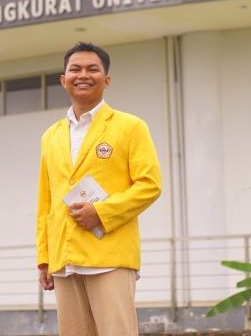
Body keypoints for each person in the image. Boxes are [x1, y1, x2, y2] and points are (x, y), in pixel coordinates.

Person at [35, 42, 162, 335]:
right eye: (75, 69)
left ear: (107, 80)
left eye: (92, 69)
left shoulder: (130, 127)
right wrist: (44, 257)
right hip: (65, 258)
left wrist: (101, 212)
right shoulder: (50, 136)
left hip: (110, 256)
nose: (83, 75)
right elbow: (46, 200)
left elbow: (150, 185)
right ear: (63, 79)